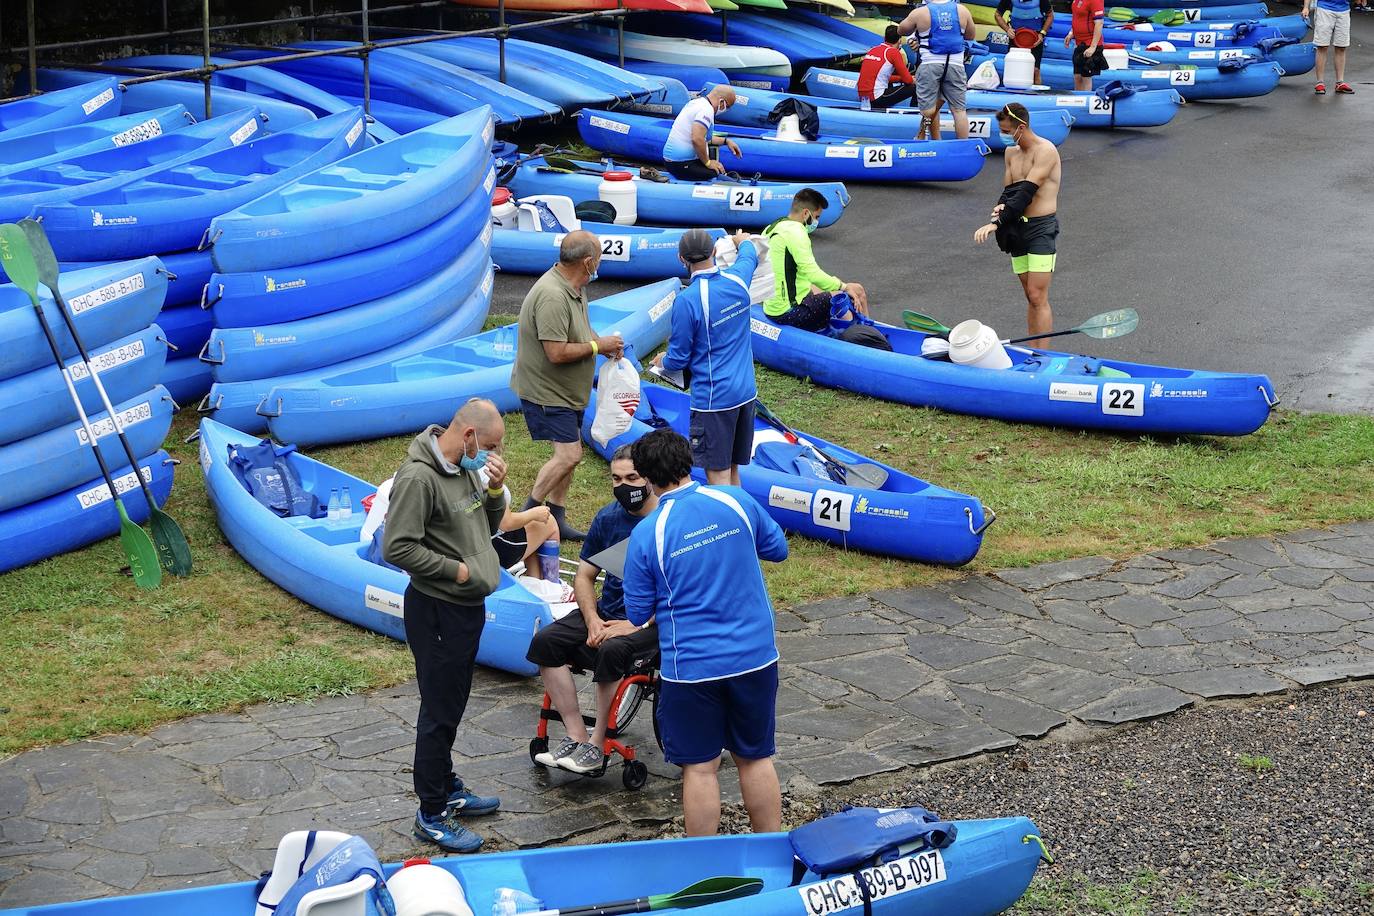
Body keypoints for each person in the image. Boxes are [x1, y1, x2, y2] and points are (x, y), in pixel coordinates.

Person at [621, 429, 788, 837]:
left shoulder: (648, 534)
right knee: (756, 757)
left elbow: (638, 612)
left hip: (692, 667)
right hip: (755, 655)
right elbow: (778, 550)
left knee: (699, 768)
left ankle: (703, 869)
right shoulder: (734, 499)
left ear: (645, 478)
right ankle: (775, 852)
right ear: (688, 462)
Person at [382, 398, 508, 854]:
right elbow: (395, 547)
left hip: (465, 607)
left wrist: (495, 491)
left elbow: (484, 530)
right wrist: (454, 571)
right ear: (468, 435)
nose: (492, 455)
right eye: (489, 446)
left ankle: (447, 784)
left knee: (451, 705)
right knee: (438, 712)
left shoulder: (466, 469)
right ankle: (431, 812)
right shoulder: (419, 477)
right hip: (438, 609)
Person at [524, 445, 660, 775]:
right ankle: (576, 736)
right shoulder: (608, 518)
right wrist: (593, 619)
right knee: (545, 642)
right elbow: (584, 576)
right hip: (607, 611)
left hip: (652, 622)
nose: (623, 486)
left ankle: (598, 745)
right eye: (616, 478)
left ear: (651, 479)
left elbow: (679, 590)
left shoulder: (666, 522)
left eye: (632, 477)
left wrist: (636, 625)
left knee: (612, 651)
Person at [511, 230, 626, 541]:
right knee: (569, 455)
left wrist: (600, 341)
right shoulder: (552, 295)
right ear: (587, 262)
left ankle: (556, 516)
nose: (600, 265)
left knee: (569, 454)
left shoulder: (575, 286)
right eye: (599, 259)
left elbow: (583, 328)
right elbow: (556, 352)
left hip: (567, 390)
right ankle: (526, 515)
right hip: (548, 392)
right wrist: (597, 347)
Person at [650, 228, 758, 487]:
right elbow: (750, 254)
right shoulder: (739, 279)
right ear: (715, 252)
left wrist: (660, 361)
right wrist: (739, 240)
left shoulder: (687, 300)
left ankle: (728, 526)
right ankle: (740, 521)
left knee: (717, 474)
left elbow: (677, 359)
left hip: (714, 399)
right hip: (745, 392)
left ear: (681, 258)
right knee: (733, 470)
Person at [972, 103, 1061, 347]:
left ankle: (1042, 357)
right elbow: (1010, 192)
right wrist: (998, 211)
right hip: (1016, 228)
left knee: (1037, 294)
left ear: (1021, 127)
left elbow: (1027, 192)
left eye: (1007, 130)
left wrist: (996, 223)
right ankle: (1034, 353)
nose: (1004, 135)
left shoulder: (1046, 151)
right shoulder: (1012, 154)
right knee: (1029, 296)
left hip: (1040, 228)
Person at [761, 189, 868, 333]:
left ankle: (862, 329)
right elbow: (813, 273)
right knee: (846, 295)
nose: (816, 222)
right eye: (816, 217)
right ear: (806, 213)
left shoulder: (771, 228)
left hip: (772, 306)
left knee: (826, 288)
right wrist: (844, 286)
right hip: (788, 313)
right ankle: (864, 336)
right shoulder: (797, 232)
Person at [898, 0, 976, 140]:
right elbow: (971, 35)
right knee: (959, 111)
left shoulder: (920, 12)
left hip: (930, 64)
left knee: (928, 110)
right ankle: (962, 147)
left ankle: (921, 137)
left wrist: (917, 33)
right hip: (956, 64)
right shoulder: (962, 10)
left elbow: (901, 30)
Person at [662, 84, 743, 181]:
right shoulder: (706, 110)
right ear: (721, 102)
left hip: (673, 162)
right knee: (716, 172)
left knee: (716, 166)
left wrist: (727, 141)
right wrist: (708, 163)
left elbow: (704, 138)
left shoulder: (697, 103)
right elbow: (697, 139)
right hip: (680, 164)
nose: (726, 110)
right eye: (728, 106)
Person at [1304, 0, 1363, 94]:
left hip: (1344, 11)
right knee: (1322, 46)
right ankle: (1320, 83)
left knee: (1341, 47)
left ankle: (1340, 83)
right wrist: (1306, 7)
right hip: (1324, 9)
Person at [857, 26, 917, 110]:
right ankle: (916, 113)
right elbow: (908, 80)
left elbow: (881, 77)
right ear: (899, 40)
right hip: (876, 98)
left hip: (863, 97)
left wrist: (900, 78)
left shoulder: (872, 49)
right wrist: (912, 79)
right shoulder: (893, 52)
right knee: (917, 87)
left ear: (884, 38)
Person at [995, 0, 1054, 84]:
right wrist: (1007, 29)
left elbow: (1050, 15)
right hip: (1015, 39)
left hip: (1035, 40)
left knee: (1035, 70)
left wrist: (1042, 33)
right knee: (1013, 68)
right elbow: (997, 14)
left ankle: (1036, 95)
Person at [1065, 0, 1106, 91]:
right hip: (1079, 43)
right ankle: (1077, 100)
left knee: (1086, 77)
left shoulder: (1095, 1)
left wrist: (1093, 47)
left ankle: (1085, 100)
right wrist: (1071, 33)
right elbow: (1077, 17)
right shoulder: (1076, 1)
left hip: (1090, 43)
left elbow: (1099, 23)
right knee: (1077, 76)